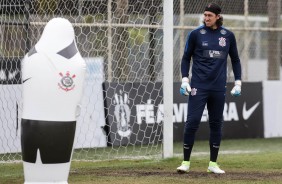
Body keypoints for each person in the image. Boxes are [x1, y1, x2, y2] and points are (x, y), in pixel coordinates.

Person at [176, 2, 242, 174]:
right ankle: (185, 162)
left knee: (216, 124)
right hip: (199, 87)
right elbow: (185, 58)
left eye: (209, 16)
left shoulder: (228, 35)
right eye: (205, 15)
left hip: (219, 87)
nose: (206, 18)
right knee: (192, 122)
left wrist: (238, 83)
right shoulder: (196, 34)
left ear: (218, 17)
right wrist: (184, 80)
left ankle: (213, 163)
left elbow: (235, 59)